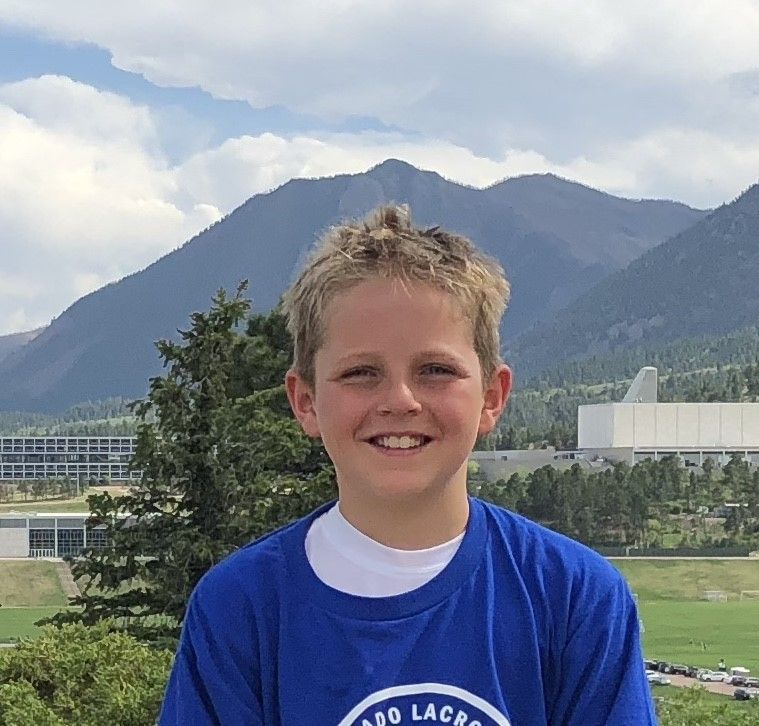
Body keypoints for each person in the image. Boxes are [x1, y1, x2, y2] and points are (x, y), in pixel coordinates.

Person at [159, 205, 656, 724]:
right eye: (360, 373)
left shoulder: (574, 597)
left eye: (436, 370)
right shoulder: (240, 609)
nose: (400, 400)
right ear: (305, 400)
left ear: (491, 395)